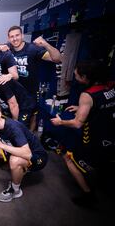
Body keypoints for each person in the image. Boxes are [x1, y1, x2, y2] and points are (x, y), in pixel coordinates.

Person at [50, 60, 115, 207]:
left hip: (95, 139)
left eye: (77, 74)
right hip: (110, 134)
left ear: (85, 77)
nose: (74, 74)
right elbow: (101, 104)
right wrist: (82, 107)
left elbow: (77, 123)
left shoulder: (87, 95)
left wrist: (61, 122)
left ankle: (88, 194)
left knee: (68, 158)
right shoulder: (110, 85)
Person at [0, 103, 47, 203]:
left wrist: (1, 145)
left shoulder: (13, 127)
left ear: (0, 114)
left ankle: (15, 190)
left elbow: (27, 153)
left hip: (38, 157)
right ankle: (21, 170)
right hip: (21, 150)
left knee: (14, 160)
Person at [7, 25, 61, 130]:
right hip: (14, 94)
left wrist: (45, 44)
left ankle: (30, 138)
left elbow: (57, 58)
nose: (15, 38)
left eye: (17, 35)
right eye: (12, 36)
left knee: (31, 117)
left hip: (30, 93)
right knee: (15, 121)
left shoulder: (33, 49)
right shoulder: (7, 49)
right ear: (9, 38)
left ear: (22, 35)